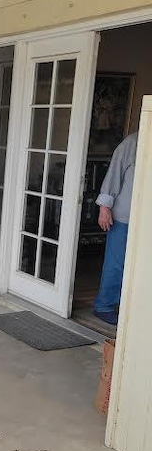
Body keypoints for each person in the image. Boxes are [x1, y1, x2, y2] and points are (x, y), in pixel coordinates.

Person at [93, 130, 139, 326]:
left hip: (144, 220)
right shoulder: (132, 142)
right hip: (123, 217)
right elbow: (114, 174)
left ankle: (134, 306)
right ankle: (104, 306)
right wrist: (105, 208)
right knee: (116, 263)